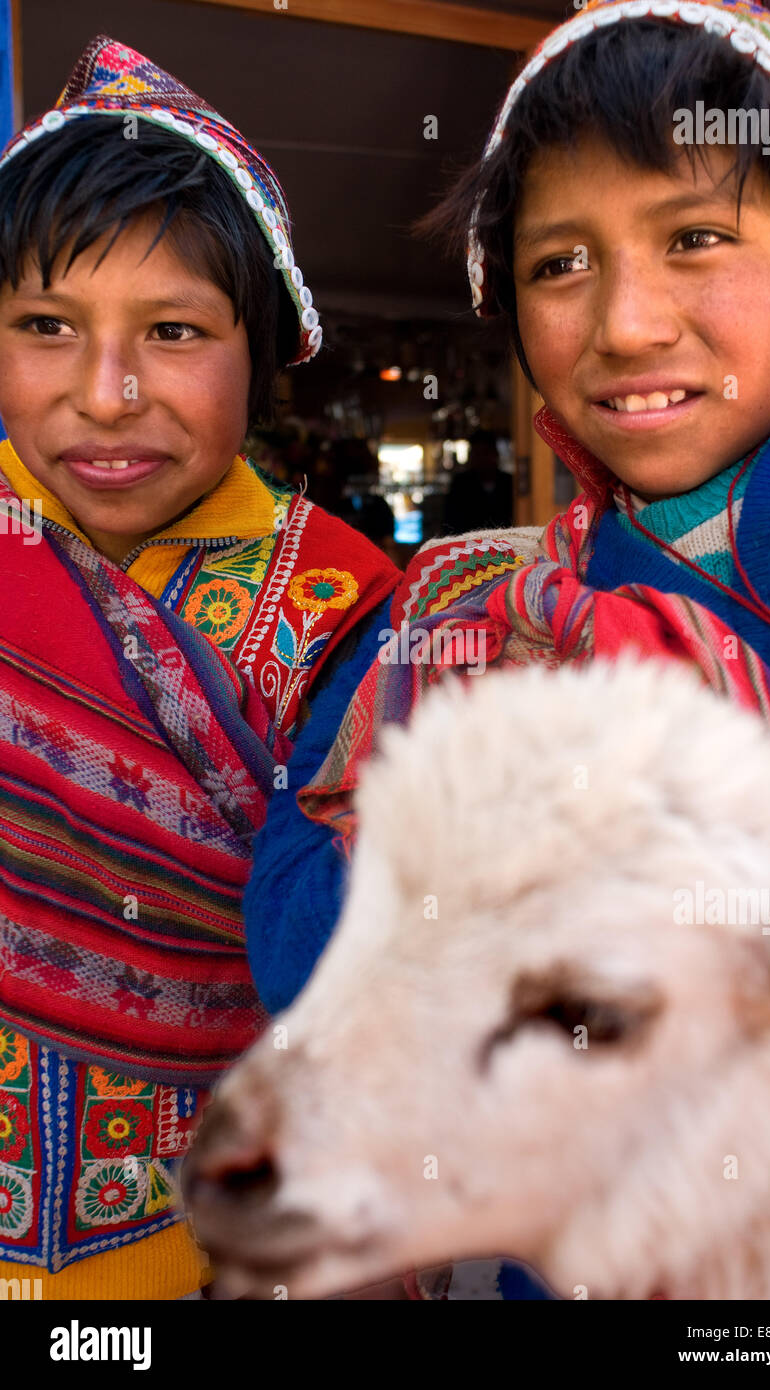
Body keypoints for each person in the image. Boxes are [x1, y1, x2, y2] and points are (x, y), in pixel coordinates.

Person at [244, 0, 770, 1297]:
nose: (626, 324)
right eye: (559, 263)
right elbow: (299, 945)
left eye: (694, 237)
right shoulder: (459, 612)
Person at [0, 35, 399, 1298]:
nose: (106, 394)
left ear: (266, 347)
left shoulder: (346, 607)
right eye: (47, 328)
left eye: (171, 331)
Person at [442, 429, 513, 534]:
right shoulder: (461, 484)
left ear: (496, 455)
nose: (482, 459)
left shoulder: (509, 482)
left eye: (486, 453)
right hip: (469, 544)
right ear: (471, 457)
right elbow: (451, 522)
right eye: (477, 454)